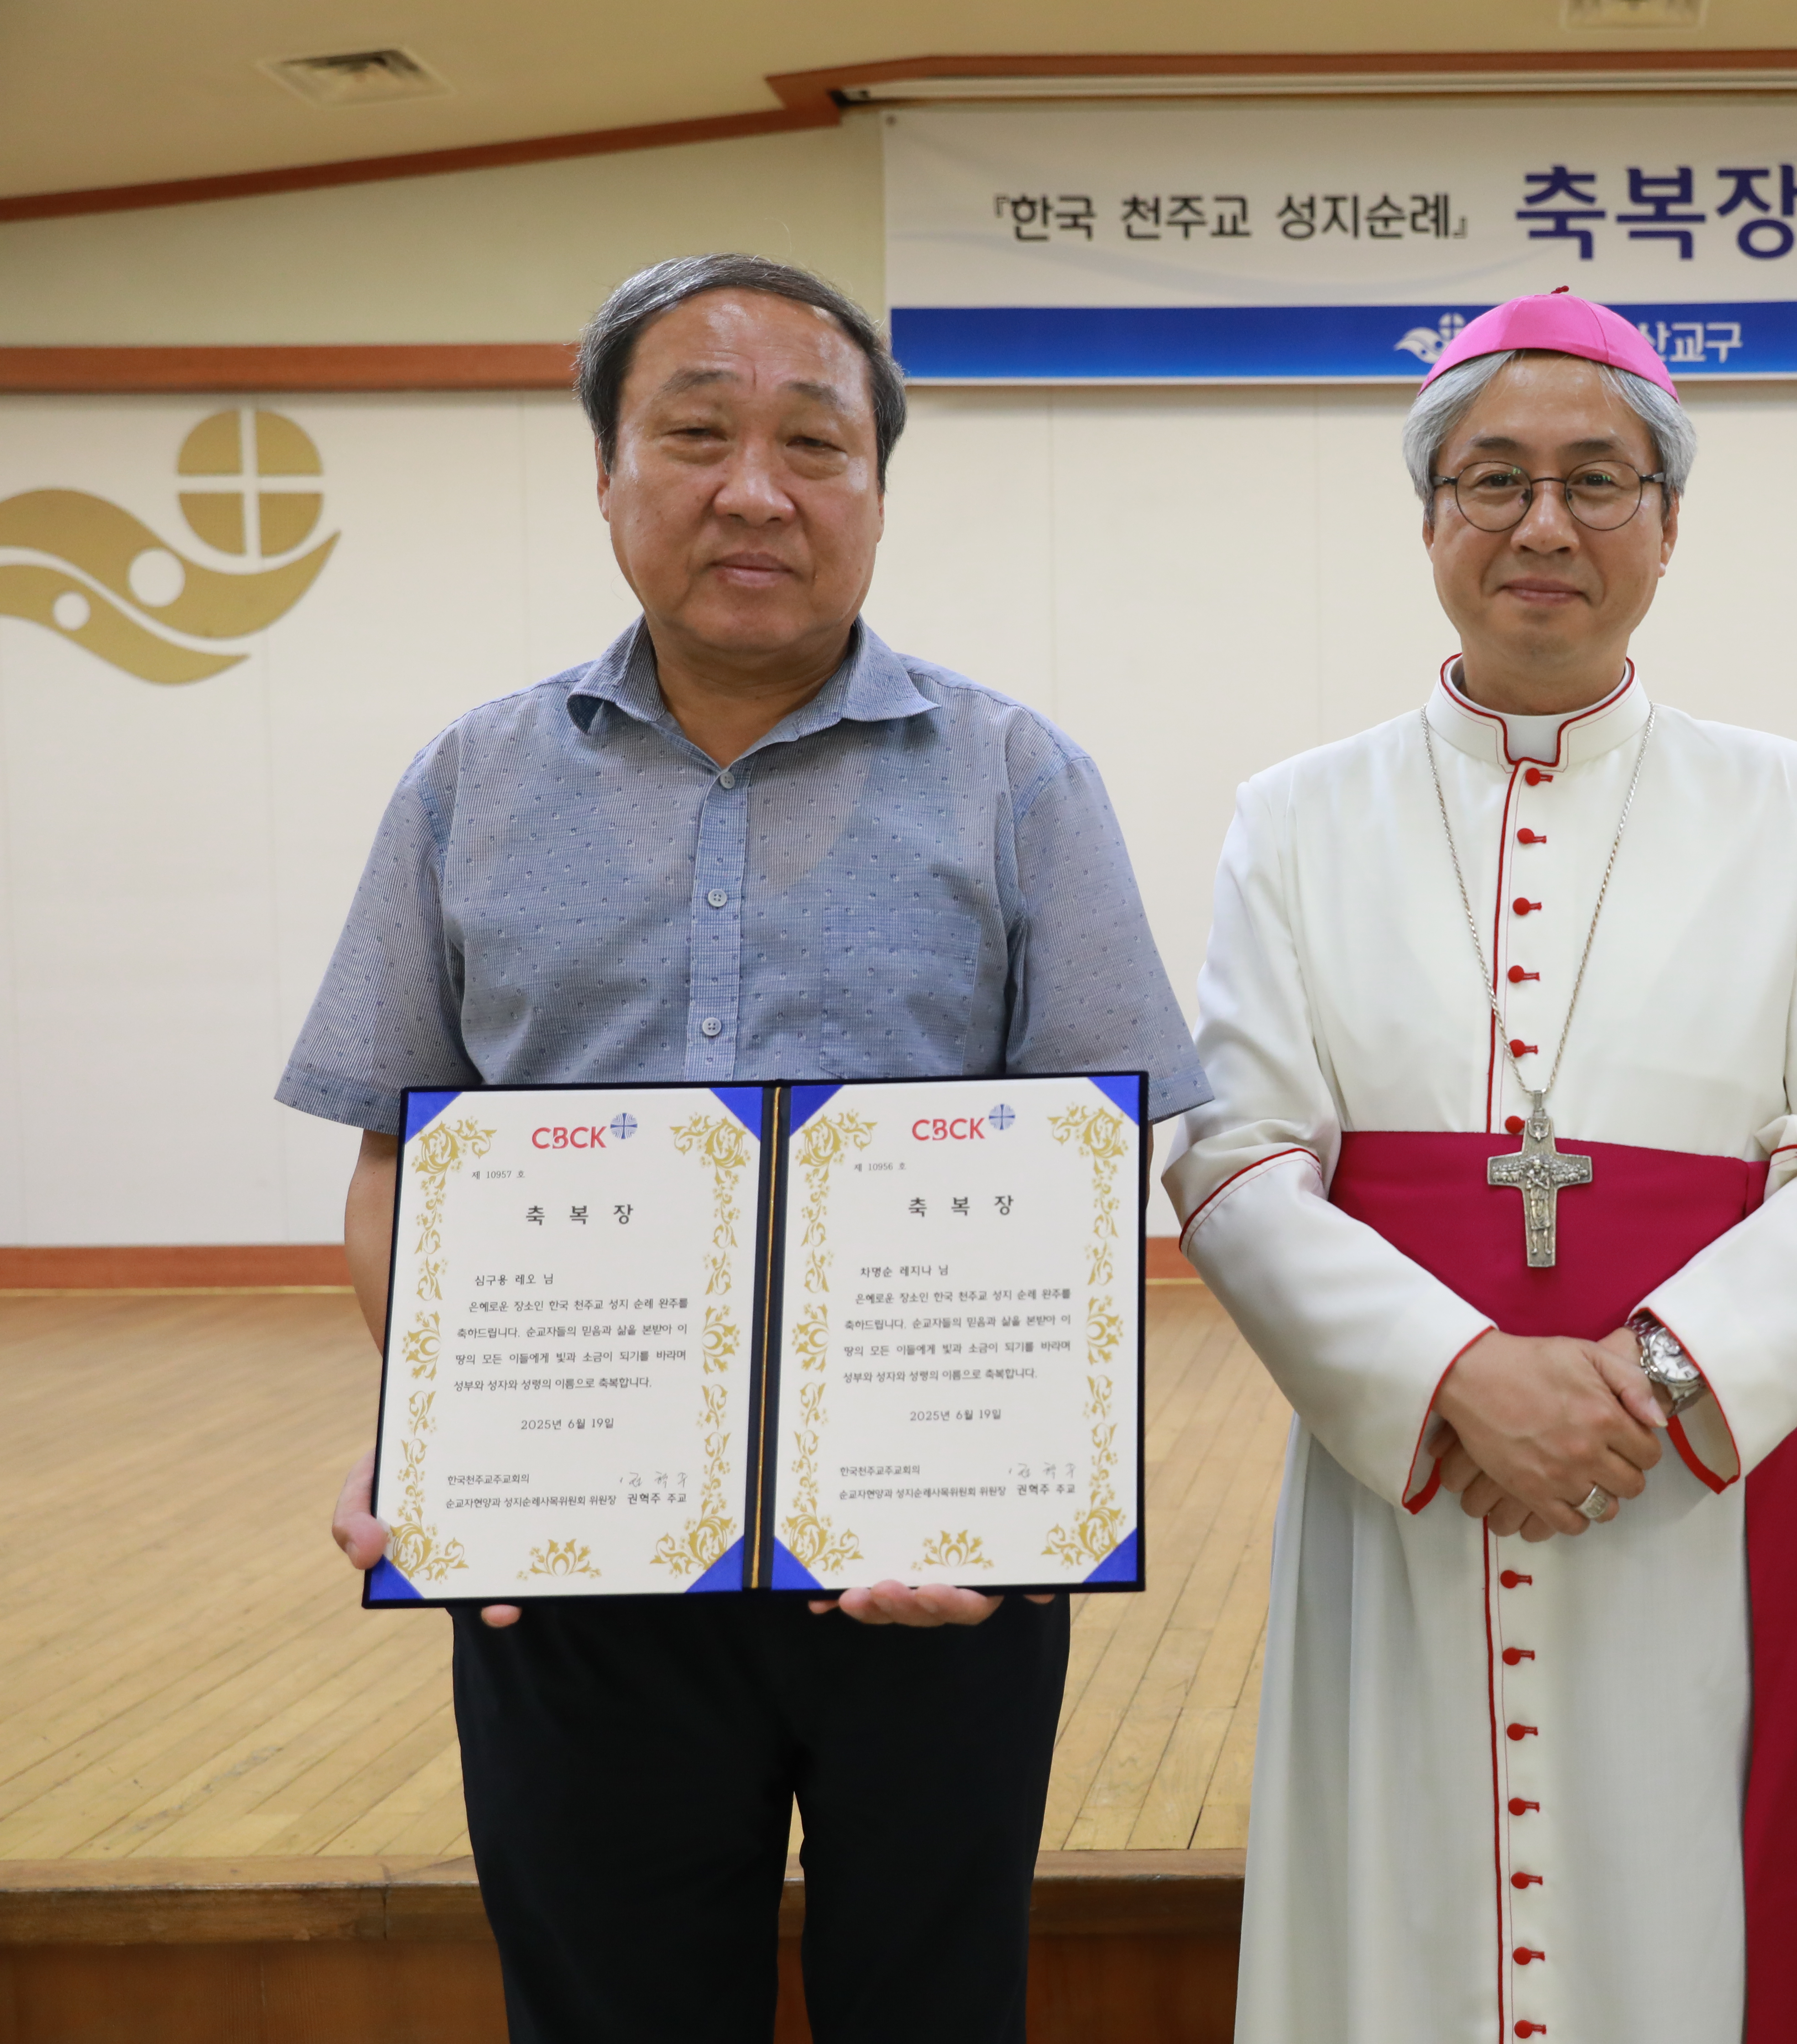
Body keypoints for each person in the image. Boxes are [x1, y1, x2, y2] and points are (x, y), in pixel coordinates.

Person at [287, 253, 1205, 2043]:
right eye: (695, 434)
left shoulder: (1021, 778)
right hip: (575, 1569)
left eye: (815, 442)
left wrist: (1027, 1494)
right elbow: (398, 1153)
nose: (756, 489)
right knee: (607, 2006)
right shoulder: (465, 785)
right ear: (610, 479)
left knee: (932, 2006)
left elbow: (1090, 1178)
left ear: (877, 487)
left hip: (936, 1559)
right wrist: (444, 1438)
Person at [1164, 291, 1797, 2044]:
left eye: (1599, 480)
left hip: (1686, 1493)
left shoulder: (1792, 807)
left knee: (1700, 1918)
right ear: (1428, 516)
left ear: (1671, 524)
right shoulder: (1298, 815)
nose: (1544, 525)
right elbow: (1235, 1156)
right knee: (1406, 1921)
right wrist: (1455, 1375)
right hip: (1411, 1487)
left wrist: (1646, 1382)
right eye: (1492, 478)